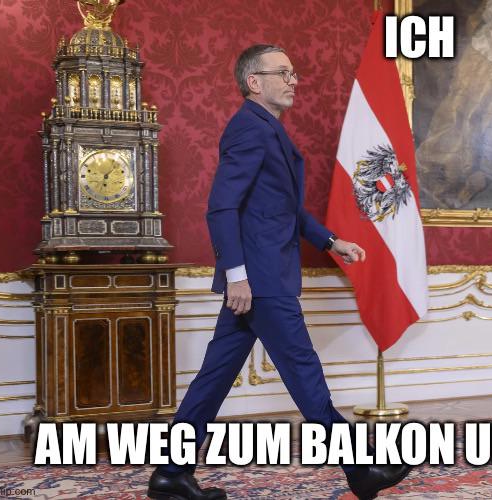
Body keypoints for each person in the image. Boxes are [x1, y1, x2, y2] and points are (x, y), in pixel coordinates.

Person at [146, 44, 412, 500]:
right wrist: (237, 277)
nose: (294, 81)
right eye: (283, 73)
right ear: (254, 82)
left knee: (214, 377)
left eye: (294, 73)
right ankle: (360, 468)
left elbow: (283, 208)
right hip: (260, 281)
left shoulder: (266, 128)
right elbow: (221, 208)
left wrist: (330, 241)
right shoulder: (249, 129)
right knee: (305, 373)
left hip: (259, 278)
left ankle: (171, 473)